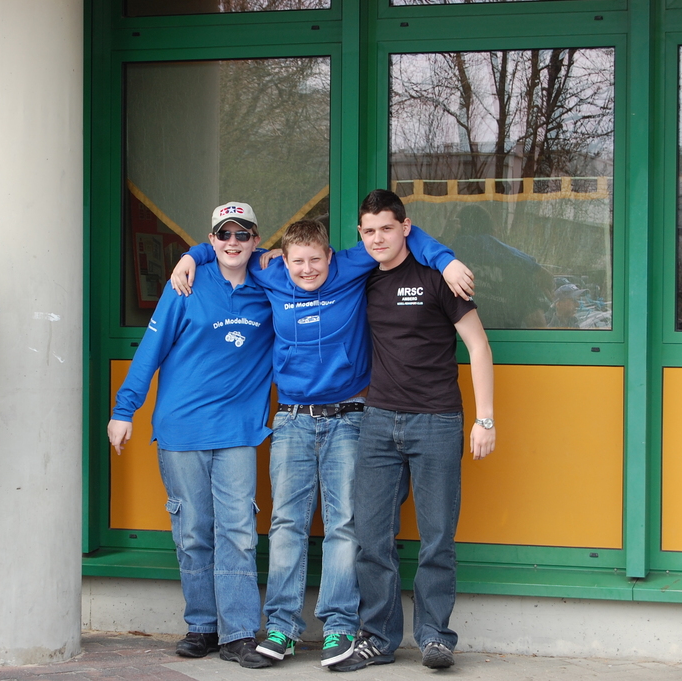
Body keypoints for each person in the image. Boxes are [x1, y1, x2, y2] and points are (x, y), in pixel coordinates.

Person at [169, 219, 472, 667]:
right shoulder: (270, 271)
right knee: (286, 524)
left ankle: (338, 626)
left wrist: (444, 261)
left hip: (349, 417)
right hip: (292, 419)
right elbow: (230, 250)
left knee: (344, 525)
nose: (307, 269)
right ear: (284, 260)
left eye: (316, 259)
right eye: (298, 261)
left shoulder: (352, 265)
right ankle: (282, 627)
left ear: (331, 256)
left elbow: (398, 233)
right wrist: (191, 254)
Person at [333, 189, 495, 673]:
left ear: (406, 228)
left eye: (387, 228)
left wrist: (485, 418)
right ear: (360, 234)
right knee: (371, 536)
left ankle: (435, 637)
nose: (377, 238)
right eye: (369, 231)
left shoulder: (439, 277)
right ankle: (378, 639)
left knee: (437, 537)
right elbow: (308, 264)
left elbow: (478, 346)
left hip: (437, 420)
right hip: (378, 420)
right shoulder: (362, 278)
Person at [108, 202, 274, 669]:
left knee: (238, 531)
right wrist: (123, 410)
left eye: (242, 234)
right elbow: (150, 350)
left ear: (256, 239)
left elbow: (310, 262)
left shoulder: (271, 286)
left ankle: (239, 632)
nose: (233, 242)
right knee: (194, 531)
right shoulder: (185, 284)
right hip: (182, 428)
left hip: (238, 431)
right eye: (223, 235)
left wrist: (199, 251)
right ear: (213, 239)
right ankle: (202, 625)